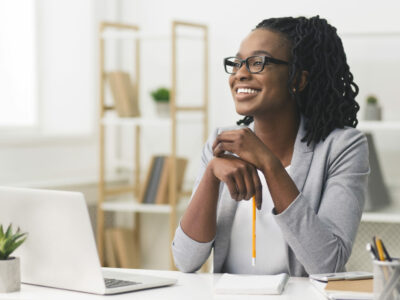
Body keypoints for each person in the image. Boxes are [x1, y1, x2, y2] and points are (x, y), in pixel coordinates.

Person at [171, 16, 369, 276]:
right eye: (237, 63)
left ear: (298, 79)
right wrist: (210, 174)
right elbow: (185, 261)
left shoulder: (343, 146)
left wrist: (269, 164)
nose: (241, 73)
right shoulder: (221, 143)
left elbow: (327, 265)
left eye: (257, 62)